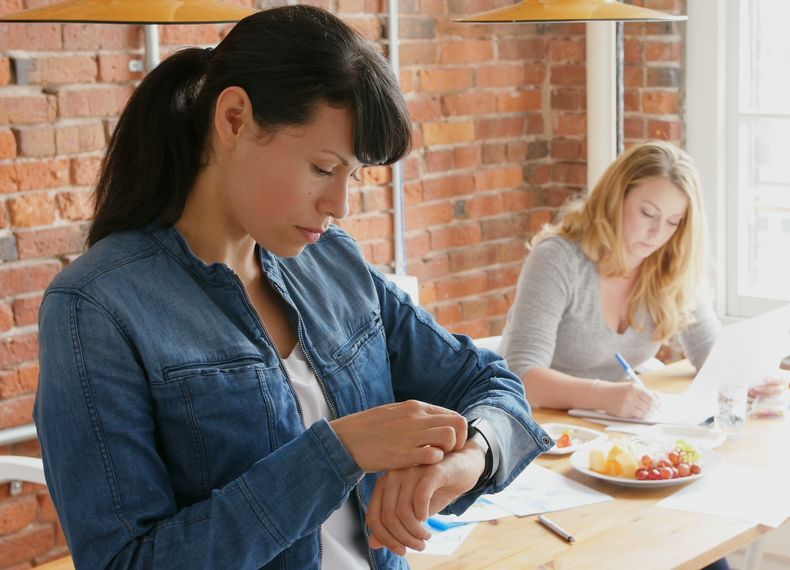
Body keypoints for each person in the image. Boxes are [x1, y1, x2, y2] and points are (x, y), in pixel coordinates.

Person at [33, 6, 549, 569]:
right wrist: (338, 453)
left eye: (353, 176)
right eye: (323, 168)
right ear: (234, 119)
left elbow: (491, 382)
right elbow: (123, 562)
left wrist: (471, 457)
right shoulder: (95, 307)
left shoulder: (332, 261)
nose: (339, 206)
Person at [499, 141, 784, 420]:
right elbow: (522, 374)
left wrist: (755, 378)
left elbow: (711, 356)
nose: (657, 233)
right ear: (615, 198)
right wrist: (604, 396)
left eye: (674, 221)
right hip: (538, 424)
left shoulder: (670, 265)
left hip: (614, 427)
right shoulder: (558, 260)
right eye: (648, 213)